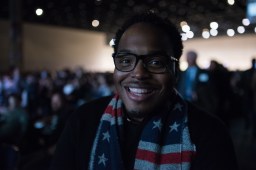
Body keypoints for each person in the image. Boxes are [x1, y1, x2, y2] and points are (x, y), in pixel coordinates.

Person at [50, 12, 238, 170]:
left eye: (156, 62)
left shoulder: (209, 134)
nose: (138, 73)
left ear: (175, 71)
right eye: (125, 61)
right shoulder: (83, 121)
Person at [177, 51, 218, 116]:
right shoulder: (182, 73)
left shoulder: (204, 73)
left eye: (191, 58)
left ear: (195, 58)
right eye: (188, 58)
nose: (189, 60)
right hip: (183, 103)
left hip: (199, 103)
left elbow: (209, 88)